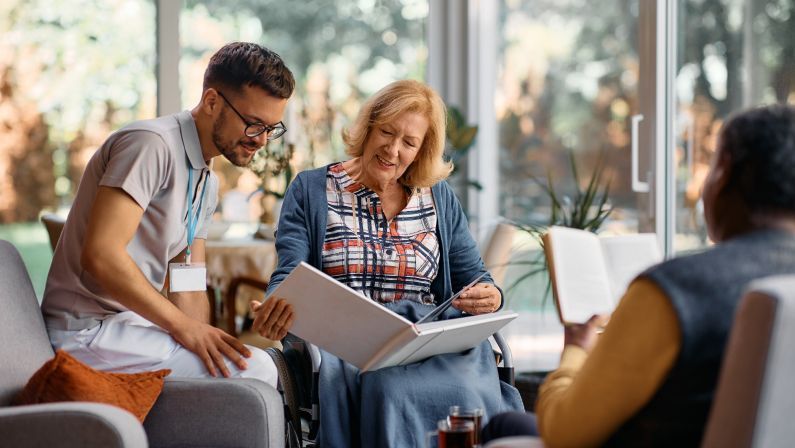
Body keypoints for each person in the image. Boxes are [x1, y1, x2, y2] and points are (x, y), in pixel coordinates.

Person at [482, 104, 795, 447]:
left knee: (502, 425)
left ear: (724, 173)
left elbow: (565, 432)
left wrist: (574, 349)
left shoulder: (678, 290)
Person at [251, 79, 524, 447]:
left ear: (421, 150)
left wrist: (490, 296)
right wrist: (277, 305)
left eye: (409, 143)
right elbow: (289, 273)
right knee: (388, 389)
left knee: (458, 389)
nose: (393, 150)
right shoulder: (312, 189)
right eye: (387, 132)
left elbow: (476, 278)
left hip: (430, 343)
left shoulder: (438, 196)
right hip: (351, 345)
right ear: (368, 127)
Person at [41, 42, 295, 386]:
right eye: (253, 124)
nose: (262, 141)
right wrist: (184, 329)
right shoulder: (150, 145)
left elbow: (187, 280)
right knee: (259, 371)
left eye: (271, 129)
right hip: (84, 331)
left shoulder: (206, 181)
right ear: (211, 102)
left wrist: (204, 338)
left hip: (129, 326)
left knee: (251, 362)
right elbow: (101, 255)